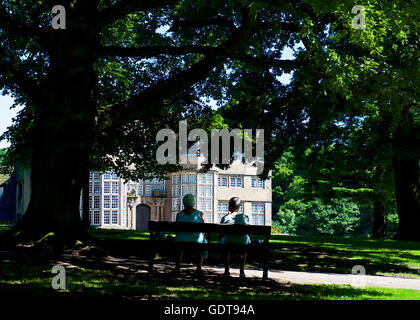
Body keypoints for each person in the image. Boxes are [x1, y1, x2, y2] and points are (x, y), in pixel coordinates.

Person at [172, 193, 207, 276]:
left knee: (178, 242)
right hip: (196, 240)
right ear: (193, 202)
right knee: (202, 241)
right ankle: (198, 268)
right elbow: (204, 229)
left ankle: (177, 267)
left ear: (184, 202)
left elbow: (176, 230)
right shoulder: (199, 214)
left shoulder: (179, 214)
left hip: (181, 240)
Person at [219, 197, 251, 278]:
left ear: (229, 207)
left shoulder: (225, 217)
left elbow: (220, 234)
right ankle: (242, 271)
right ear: (239, 207)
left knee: (225, 243)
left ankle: (226, 271)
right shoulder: (245, 217)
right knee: (244, 247)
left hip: (228, 242)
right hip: (242, 242)